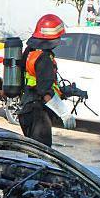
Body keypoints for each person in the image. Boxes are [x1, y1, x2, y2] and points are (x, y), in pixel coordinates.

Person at [18, 14, 65, 147]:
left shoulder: (30, 51)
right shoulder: (44, 58)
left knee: (33, 153)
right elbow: (44, 91)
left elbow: (31, 79)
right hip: (38, 114)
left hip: (26, 110)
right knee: (41, 156)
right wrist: (64, 113)